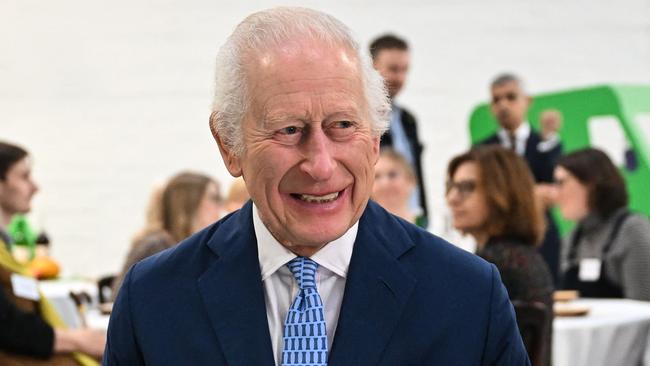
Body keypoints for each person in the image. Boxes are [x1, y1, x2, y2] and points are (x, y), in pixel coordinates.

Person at [104, 7, 529, 365]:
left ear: (376, 137)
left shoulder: (468, 298)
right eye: (289, 130)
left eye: (343, 125)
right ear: (229, 145)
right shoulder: (154, 300)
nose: (322, 166)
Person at [446, 145, 554, 365]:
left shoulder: (496, 264)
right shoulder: (520, 256)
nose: (452, 198)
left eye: (467, 187)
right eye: (451, 187)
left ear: (503, 192)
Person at [0, 141, 105, 365]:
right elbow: (6, 325)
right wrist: (78, 340)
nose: (35, 187)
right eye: (24, 176)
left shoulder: (5, 249)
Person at [480, 73, 563, 284]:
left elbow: (555, 191)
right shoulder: (482, 150)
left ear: (527, 101)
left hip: (542, 240)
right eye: (496, 100)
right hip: (495, 242)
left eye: (511, 97)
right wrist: (531, 194)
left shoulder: (547, 144)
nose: (503, 105)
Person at [554, 148, 650, 301]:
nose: (556, 194)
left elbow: (645, 309)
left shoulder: (632, 230)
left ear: (591, 184)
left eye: (561, 183)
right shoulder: (571, 239)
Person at [111, 171, 222, 299]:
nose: (220, 205)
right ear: (190, 202)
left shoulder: (198, 246)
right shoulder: (156, 245)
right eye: (214, 198)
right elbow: (121, 297)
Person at [370, 34, 428, 226]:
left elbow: (415, 169)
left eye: (405, 70)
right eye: (393, 69)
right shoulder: (361, 118)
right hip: (377, 220)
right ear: (371, 68)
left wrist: (424, 213)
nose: (400, 77)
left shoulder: (408, 119)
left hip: (412, 218)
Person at [372, 148, 423, 226]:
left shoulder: (430, 225)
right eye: (377, 177)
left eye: (392, 174)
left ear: (411, 180)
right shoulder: (362, 230)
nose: (385, 183)